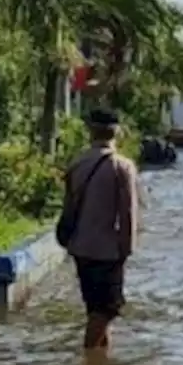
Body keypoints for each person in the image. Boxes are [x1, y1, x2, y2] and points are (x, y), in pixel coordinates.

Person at [61, 109, 140, 352]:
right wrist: (127, 250)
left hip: (80, 247)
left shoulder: (77, 163)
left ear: (90, 131)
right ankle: (86, 359)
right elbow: (127, 214)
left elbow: (68, 207)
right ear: (117, 132)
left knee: (95, 308)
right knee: (107, 310)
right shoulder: (122, 166)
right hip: (107, 250)